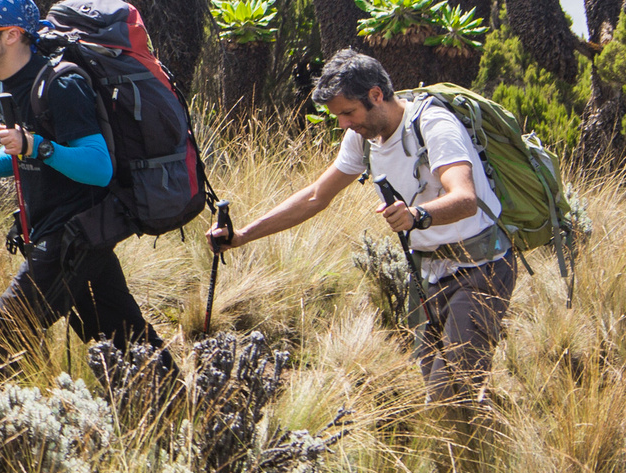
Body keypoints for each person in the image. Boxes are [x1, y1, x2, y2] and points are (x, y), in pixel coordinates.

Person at [213, 49, 516, 406]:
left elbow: (465, 198)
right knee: (439, 390)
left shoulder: (434, 125)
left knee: (449, 394)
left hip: (480, 267)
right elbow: (315, 196)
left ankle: (485, 436)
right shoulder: (362, 139)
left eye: (348, 112)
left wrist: (417, 215)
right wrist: (243, 236)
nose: (343, 124)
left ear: (376, 95)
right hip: (428, 274)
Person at [0, 0, 175, 378]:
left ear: (11, 35)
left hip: (76, 232)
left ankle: (22, 416)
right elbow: (20, 154)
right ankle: (176, 400)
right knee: (120, 333)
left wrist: (37, 146)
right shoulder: (6, 82)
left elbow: (98, 167)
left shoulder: (61, 85)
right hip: (67, 232)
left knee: (11, 325)